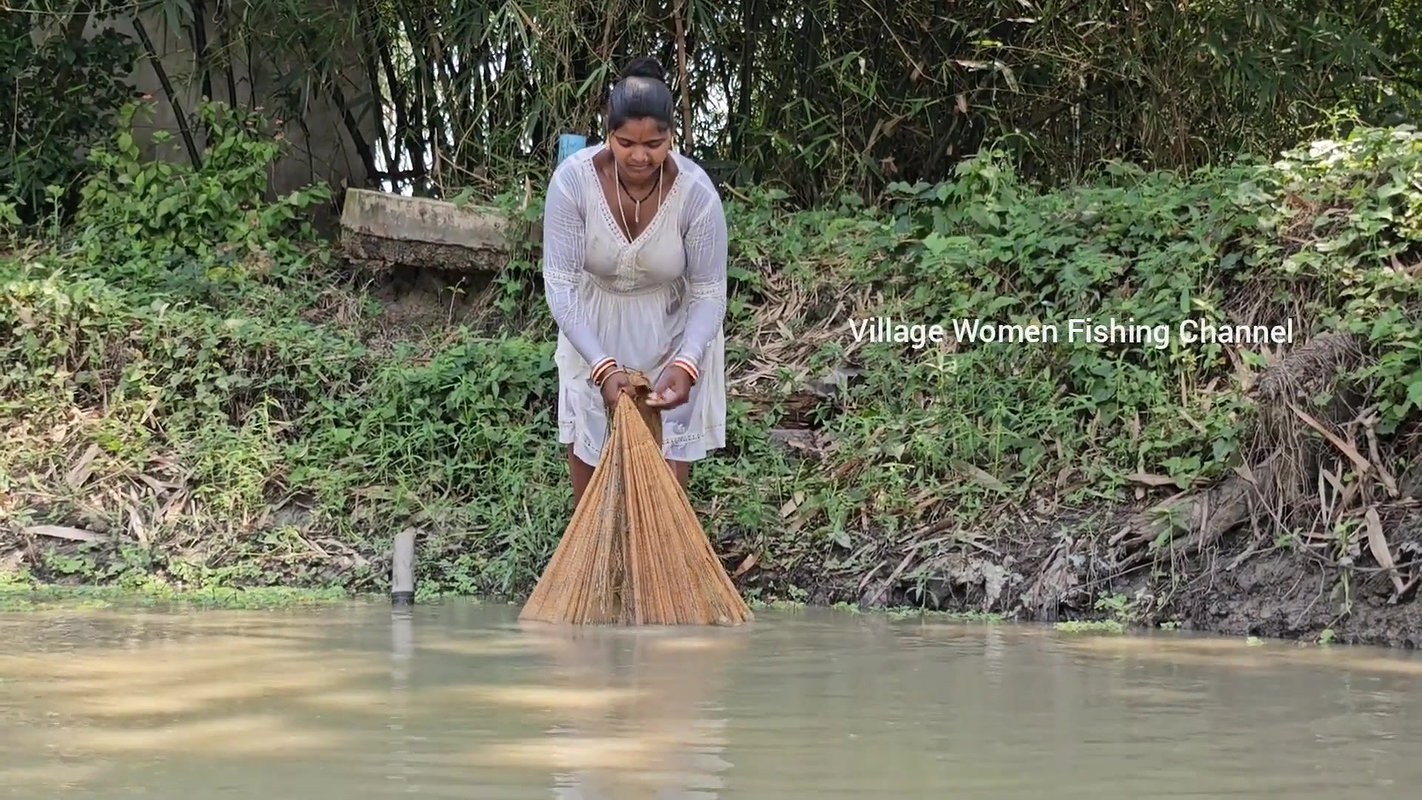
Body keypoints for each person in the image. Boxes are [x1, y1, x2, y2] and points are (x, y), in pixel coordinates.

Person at [541, 56, 729, 506]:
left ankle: (661, 538)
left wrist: (687, 363)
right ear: (608, 133)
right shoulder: (572, 183)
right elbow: (561, 284)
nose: (640, 156)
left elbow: (709, 291)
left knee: (668, 443)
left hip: (672, 332)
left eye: (655, 144)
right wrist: (602, 367)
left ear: (672, 137)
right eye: (626, 143)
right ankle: (595, 537)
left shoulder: (696, 194)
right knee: (589, 437)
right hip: (591, 328)